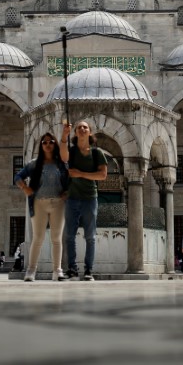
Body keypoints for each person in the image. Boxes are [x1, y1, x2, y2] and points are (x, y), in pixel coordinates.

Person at [14, 131, 69, 282]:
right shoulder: (34, 163)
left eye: (51, 141)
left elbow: (72, 181)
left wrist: (67, 193)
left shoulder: (62, 164)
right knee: (38, 238)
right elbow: (18, 176)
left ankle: (57, 271)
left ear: (55, 144)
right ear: (41, 145)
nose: (48, 144)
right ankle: (31, 271)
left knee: (56, 238)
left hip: (58, 203)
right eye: (44, 142)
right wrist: (24, 188)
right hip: (39, 203)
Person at [60, 120, 108, 282]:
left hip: (89, 198)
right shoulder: (72, 152)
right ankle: (72, 269)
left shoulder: (97, 153)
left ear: (90, 132)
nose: (81, 129)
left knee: (90, 236)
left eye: (85, 127)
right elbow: (63, 156)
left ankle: (88, 270)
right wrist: (64, 135)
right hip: (72, 198)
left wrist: (80, 174)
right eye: (79, 127)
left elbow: (102, 175)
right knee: (69, 235)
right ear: (75, 133)